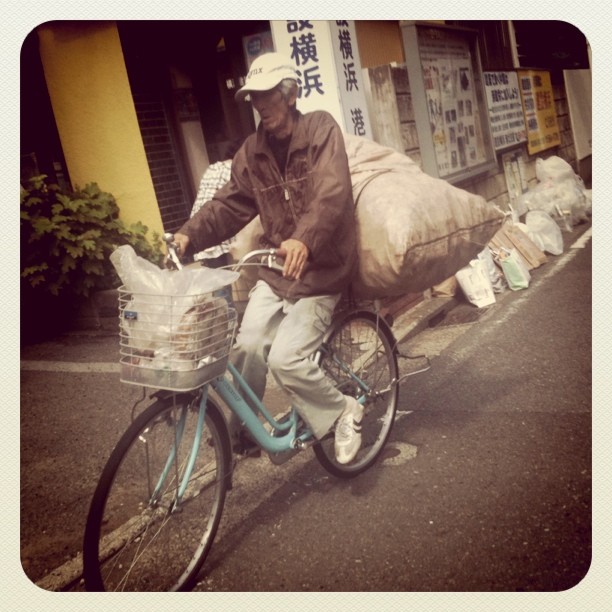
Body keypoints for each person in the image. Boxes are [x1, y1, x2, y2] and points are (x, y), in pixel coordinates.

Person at [173, 52, 363, 464]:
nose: (259, 106)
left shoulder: (320, 130)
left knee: (286, 359)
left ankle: (343, 410)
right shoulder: (251, 152)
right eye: (253, 99)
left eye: (267, 97)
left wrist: (305, 240)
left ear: (289, 94)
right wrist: (188, 233)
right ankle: (247, 433)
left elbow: (332, 193)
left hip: (322, 269)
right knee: (245, 348)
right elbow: (229, 205)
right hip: (277, 271)